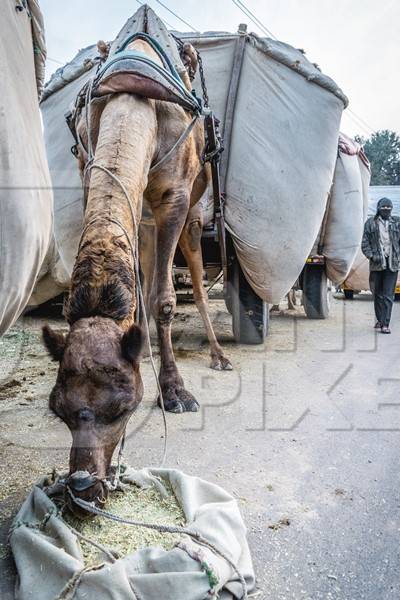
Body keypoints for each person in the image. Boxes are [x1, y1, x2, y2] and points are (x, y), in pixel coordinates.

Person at [361, 197, 400, 333]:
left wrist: (398, 256)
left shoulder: (397, 223)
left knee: (389, 295)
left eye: (389, 208)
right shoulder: (370, 223)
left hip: (392, 265)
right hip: (376, 265)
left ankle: (385, 324)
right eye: (383, 208)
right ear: (378, 208)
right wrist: (372, 256)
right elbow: (364, 243)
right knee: (377, 294)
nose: (386, 210)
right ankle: (379, 319)